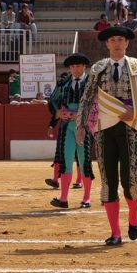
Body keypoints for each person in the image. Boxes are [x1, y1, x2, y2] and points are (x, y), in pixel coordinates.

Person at [75, 25, 137, 247]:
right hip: (104, 129)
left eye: (120, 40)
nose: (116, 43)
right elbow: (87, 98)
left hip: (130, 128)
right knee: (108, 181)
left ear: (126, 43)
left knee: (129, 179)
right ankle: (115, 232)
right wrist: (80, 125)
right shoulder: (99, 69)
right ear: (107, 44)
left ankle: (133, 217)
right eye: (113, 40)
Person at [47, 54, 94, 209]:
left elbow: (97, 104)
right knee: (66, 160)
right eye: (73, 67)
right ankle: (63, 198)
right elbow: (53, 99)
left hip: (84, 126)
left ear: (84, 67)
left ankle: (86, 198)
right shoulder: (65, 83)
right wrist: (58, 112)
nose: (75, 69)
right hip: (67, 126)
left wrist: (80, 116)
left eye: (78, 66)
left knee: (84, 161)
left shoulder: (91, 83)